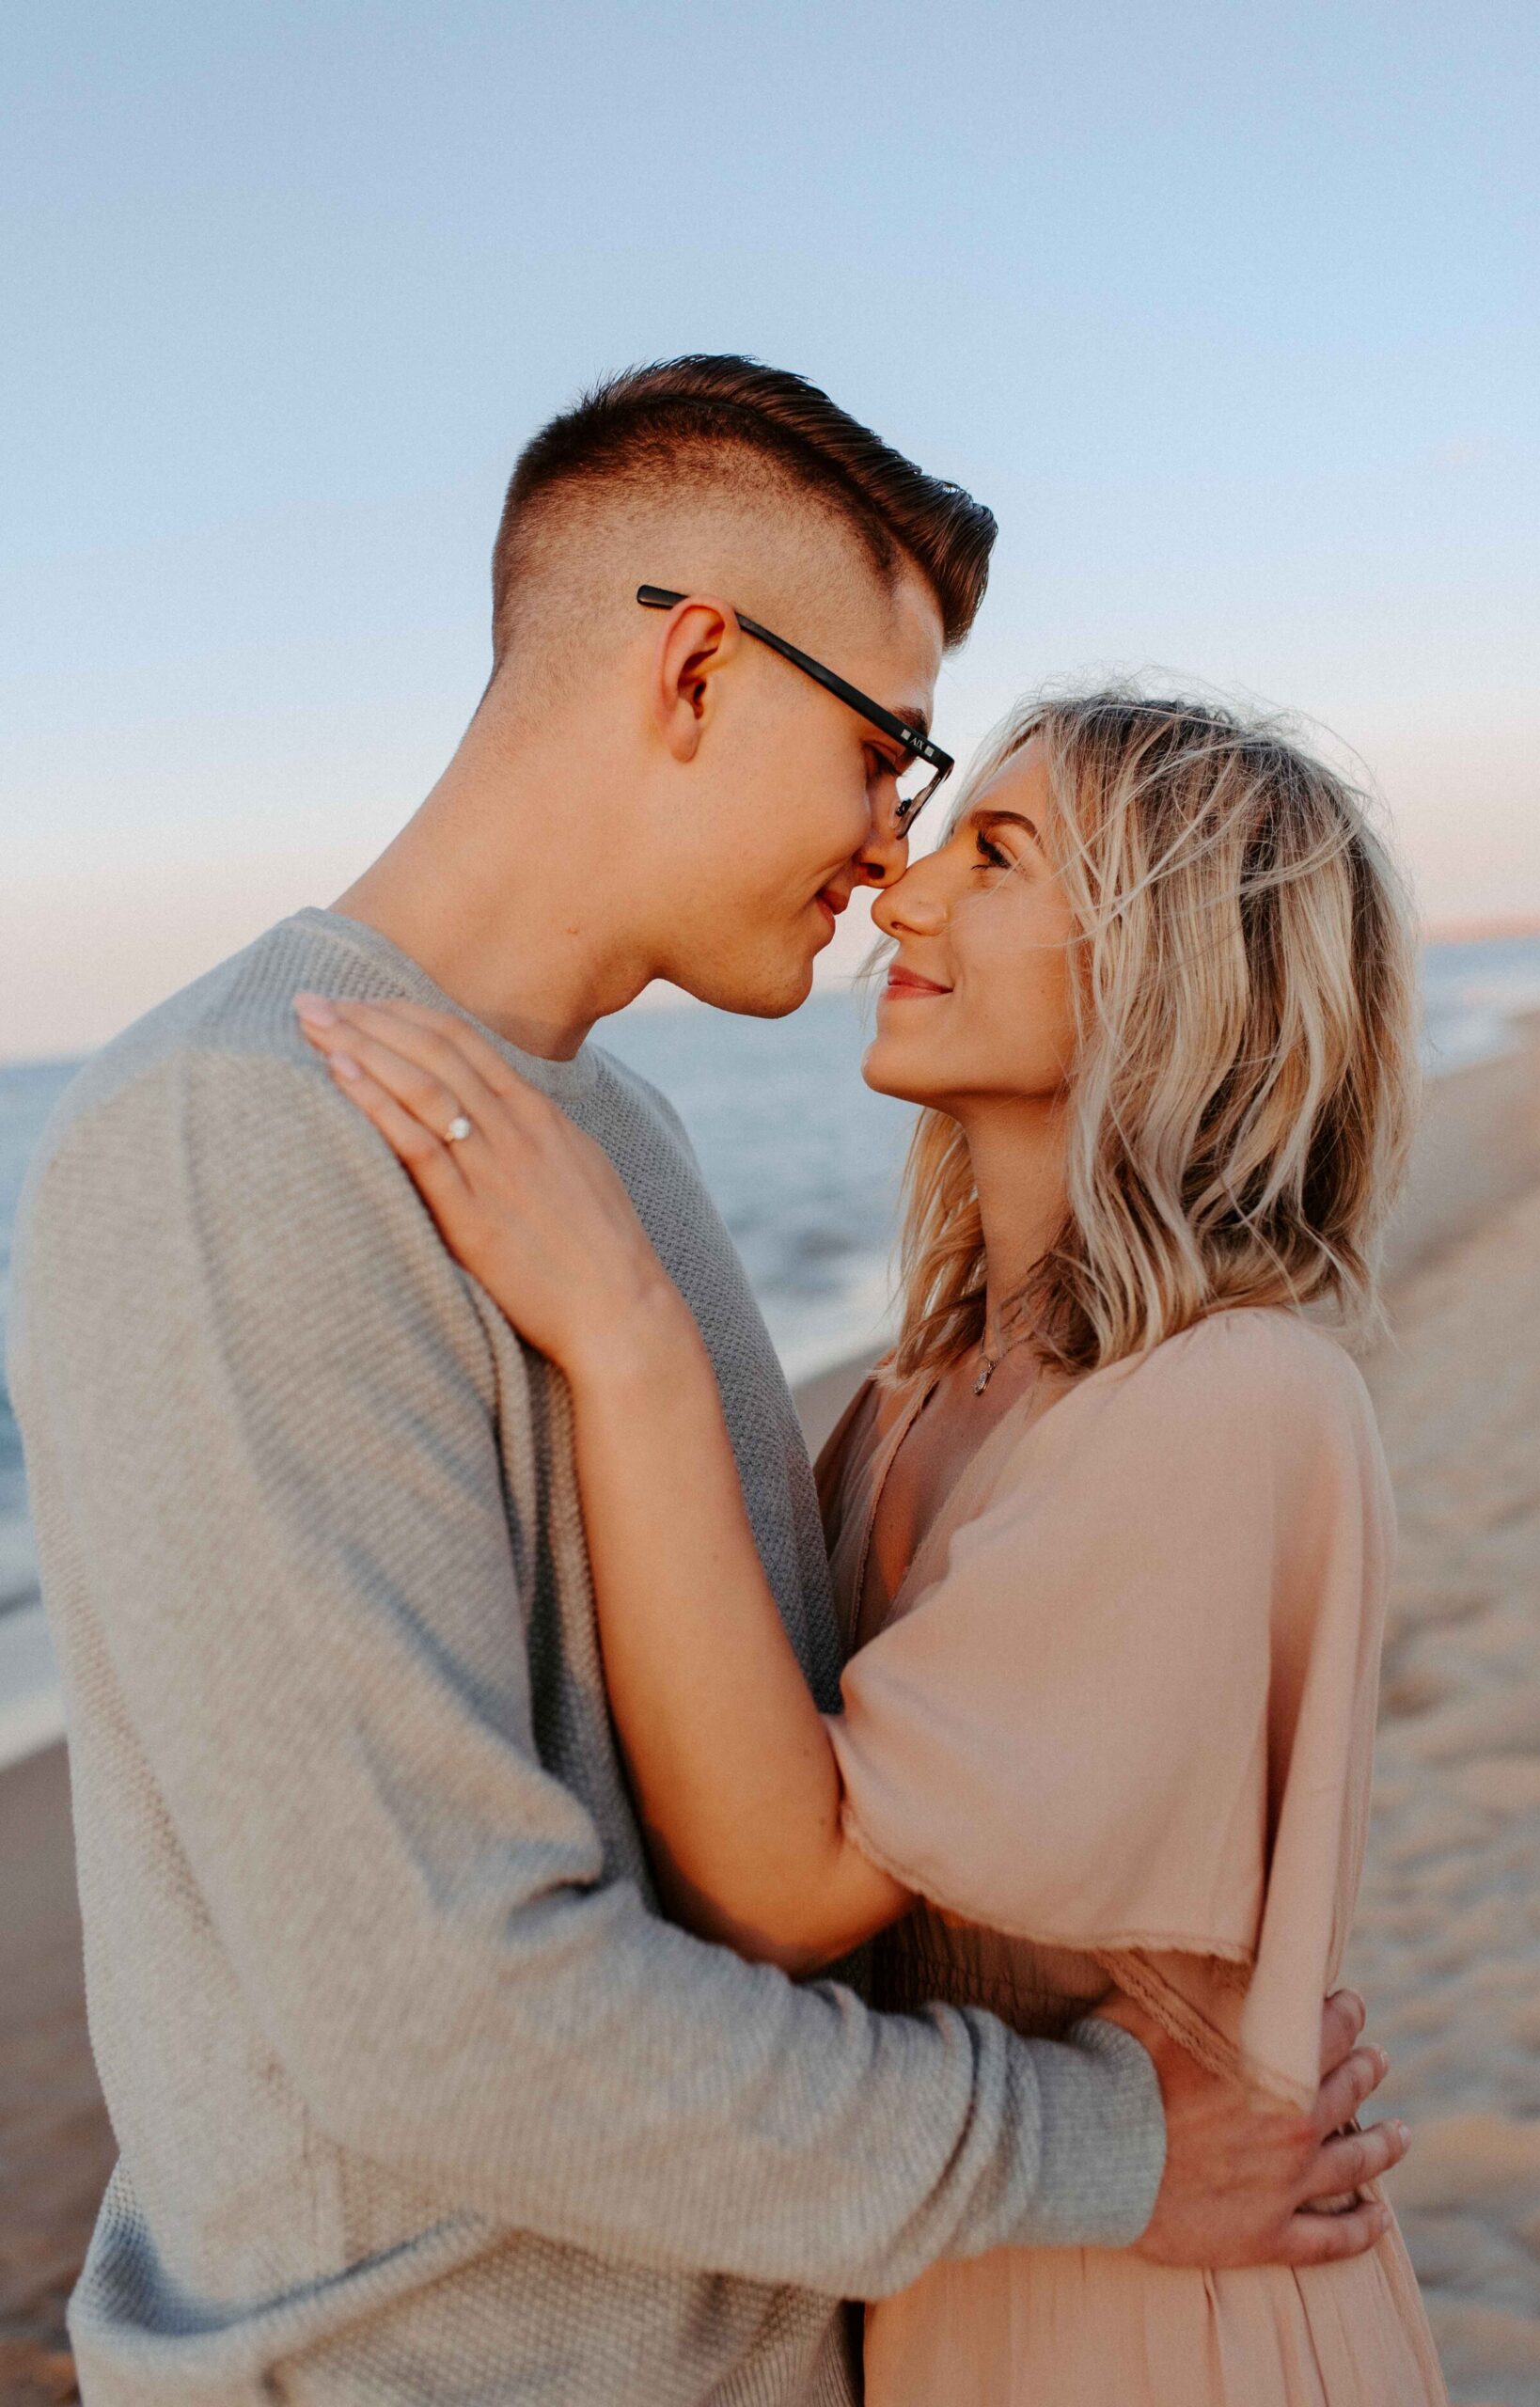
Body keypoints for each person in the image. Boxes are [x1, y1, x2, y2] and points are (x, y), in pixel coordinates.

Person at [12, 359, 1404, 2407]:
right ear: (692, 670)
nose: (887, 855)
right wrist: (1101, 2141)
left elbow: (814, 1805)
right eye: (888, 754)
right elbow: (435, 2013)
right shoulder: (238, 1136)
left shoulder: (627, 1145)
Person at [298, 685, 1449, 2403]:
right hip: (971, 2291)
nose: (898, 894)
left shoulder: (1237, 1399)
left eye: (994, 854)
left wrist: (624, 1333)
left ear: (1177, 959)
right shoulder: (920, 1402)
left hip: (1157, 2325)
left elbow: (778, 1888)